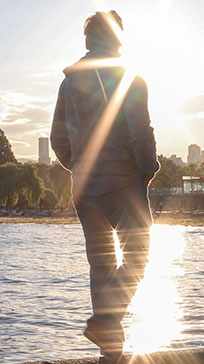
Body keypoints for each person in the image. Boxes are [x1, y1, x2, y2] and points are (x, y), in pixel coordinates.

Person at [50, 10, 159, 364]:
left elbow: (57, 139)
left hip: (84, 187)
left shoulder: (68, 85)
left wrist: (81, 166)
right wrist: (147, 170)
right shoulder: (130, 80)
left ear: (87, 42)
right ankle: (106, 322)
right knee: (138, 257)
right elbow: (141, 132)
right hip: (123, 181)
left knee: (101, 263)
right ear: (117, 40)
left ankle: (110, 349)